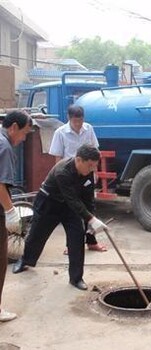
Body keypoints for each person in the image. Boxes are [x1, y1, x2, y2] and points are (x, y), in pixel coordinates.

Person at [12, 144, 108, 291]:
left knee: (77, 238)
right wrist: (91, 219)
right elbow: (72, 199)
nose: (92, 170)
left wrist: (91, 217)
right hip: (49, 203)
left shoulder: (88, 170)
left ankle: (76, 278)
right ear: (79, 160)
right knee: (37, 235)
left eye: (95, 166)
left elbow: (88, 197)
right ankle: (25, 260)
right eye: (90, 166)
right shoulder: (62, 171)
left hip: (70, 208)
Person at [49, 105, 107, 253]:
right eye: (75, 121)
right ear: (69, 119)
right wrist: (60, 180)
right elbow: (58, 158)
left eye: (80, 121)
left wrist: (95, 171)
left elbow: (95, 151)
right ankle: (72, 245)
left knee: (90, 206)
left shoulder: (89, 129)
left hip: (87, 175)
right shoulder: (60, 133)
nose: (78, 124)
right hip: (69, 177)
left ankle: (92, 242)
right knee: (72, 210)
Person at [0, 110, 33, 322]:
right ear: (13, 127)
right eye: (24, 134)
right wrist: (11, 211)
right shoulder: (4, 147)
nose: (23, 139)